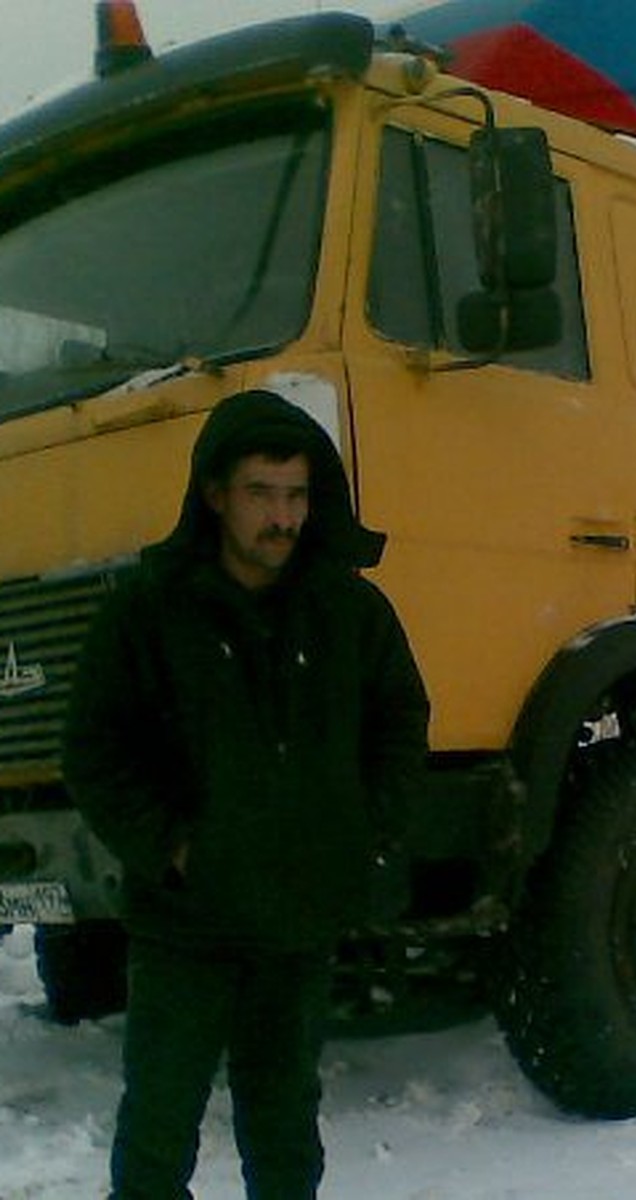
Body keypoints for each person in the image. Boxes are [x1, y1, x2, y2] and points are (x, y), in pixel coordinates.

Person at [63, 389, 430, 1200]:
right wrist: (173, 847)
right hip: (187, 923)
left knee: (286, 1129)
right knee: (158, 1132)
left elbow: (401, 721)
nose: (283, 517)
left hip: (297, 920)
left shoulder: (351, 612)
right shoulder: (147, 613)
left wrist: (367, 829)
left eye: (297, 496)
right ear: (215, 495)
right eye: (262, 493)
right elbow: (94, 749)